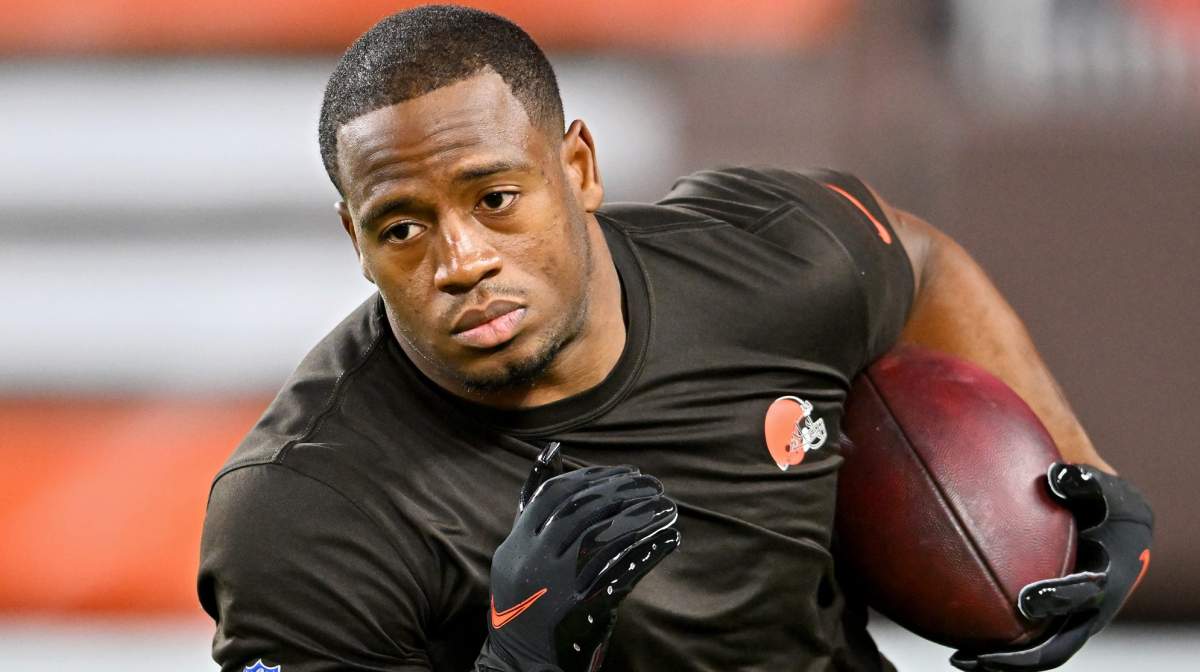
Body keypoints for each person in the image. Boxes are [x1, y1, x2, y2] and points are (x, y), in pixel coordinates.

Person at [197, 5, 1153, 672]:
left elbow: (922, 263)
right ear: (356, 241)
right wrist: (522, 660)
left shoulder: (766, 258)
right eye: (402, 227)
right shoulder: (303, 509)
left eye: (495, 199)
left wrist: (1076, 475)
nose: (461, 262)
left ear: (579, 168)